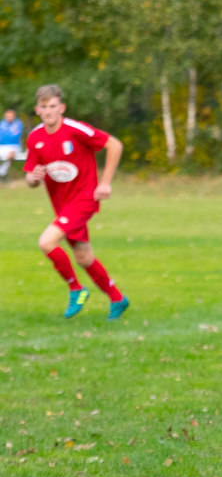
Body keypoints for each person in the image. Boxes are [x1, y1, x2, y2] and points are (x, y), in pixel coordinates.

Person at [23, 85, 130, 320]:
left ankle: (76, 289)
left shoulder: (75, 129)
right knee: (83, 257)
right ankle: (117, 298)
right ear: (37, 109)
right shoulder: (35, 137)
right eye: (44, 107)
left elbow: (114, 145)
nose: (49, 111)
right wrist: (34, 177)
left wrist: (105, 183)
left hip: (84, 199)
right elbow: (29, 176)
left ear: (61, 108)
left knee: (46, 242)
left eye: (53, 106)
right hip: (62, 204)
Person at [0, 108, 23, 181]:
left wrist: (7, 135)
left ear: (14, 116)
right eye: (8, 116)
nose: (9, 118)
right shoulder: (2, 124)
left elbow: (15, 136)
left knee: (11, 155)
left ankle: (2, 172)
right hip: (3, 146)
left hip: (14, 146)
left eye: (11, 116)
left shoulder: (18, 124)